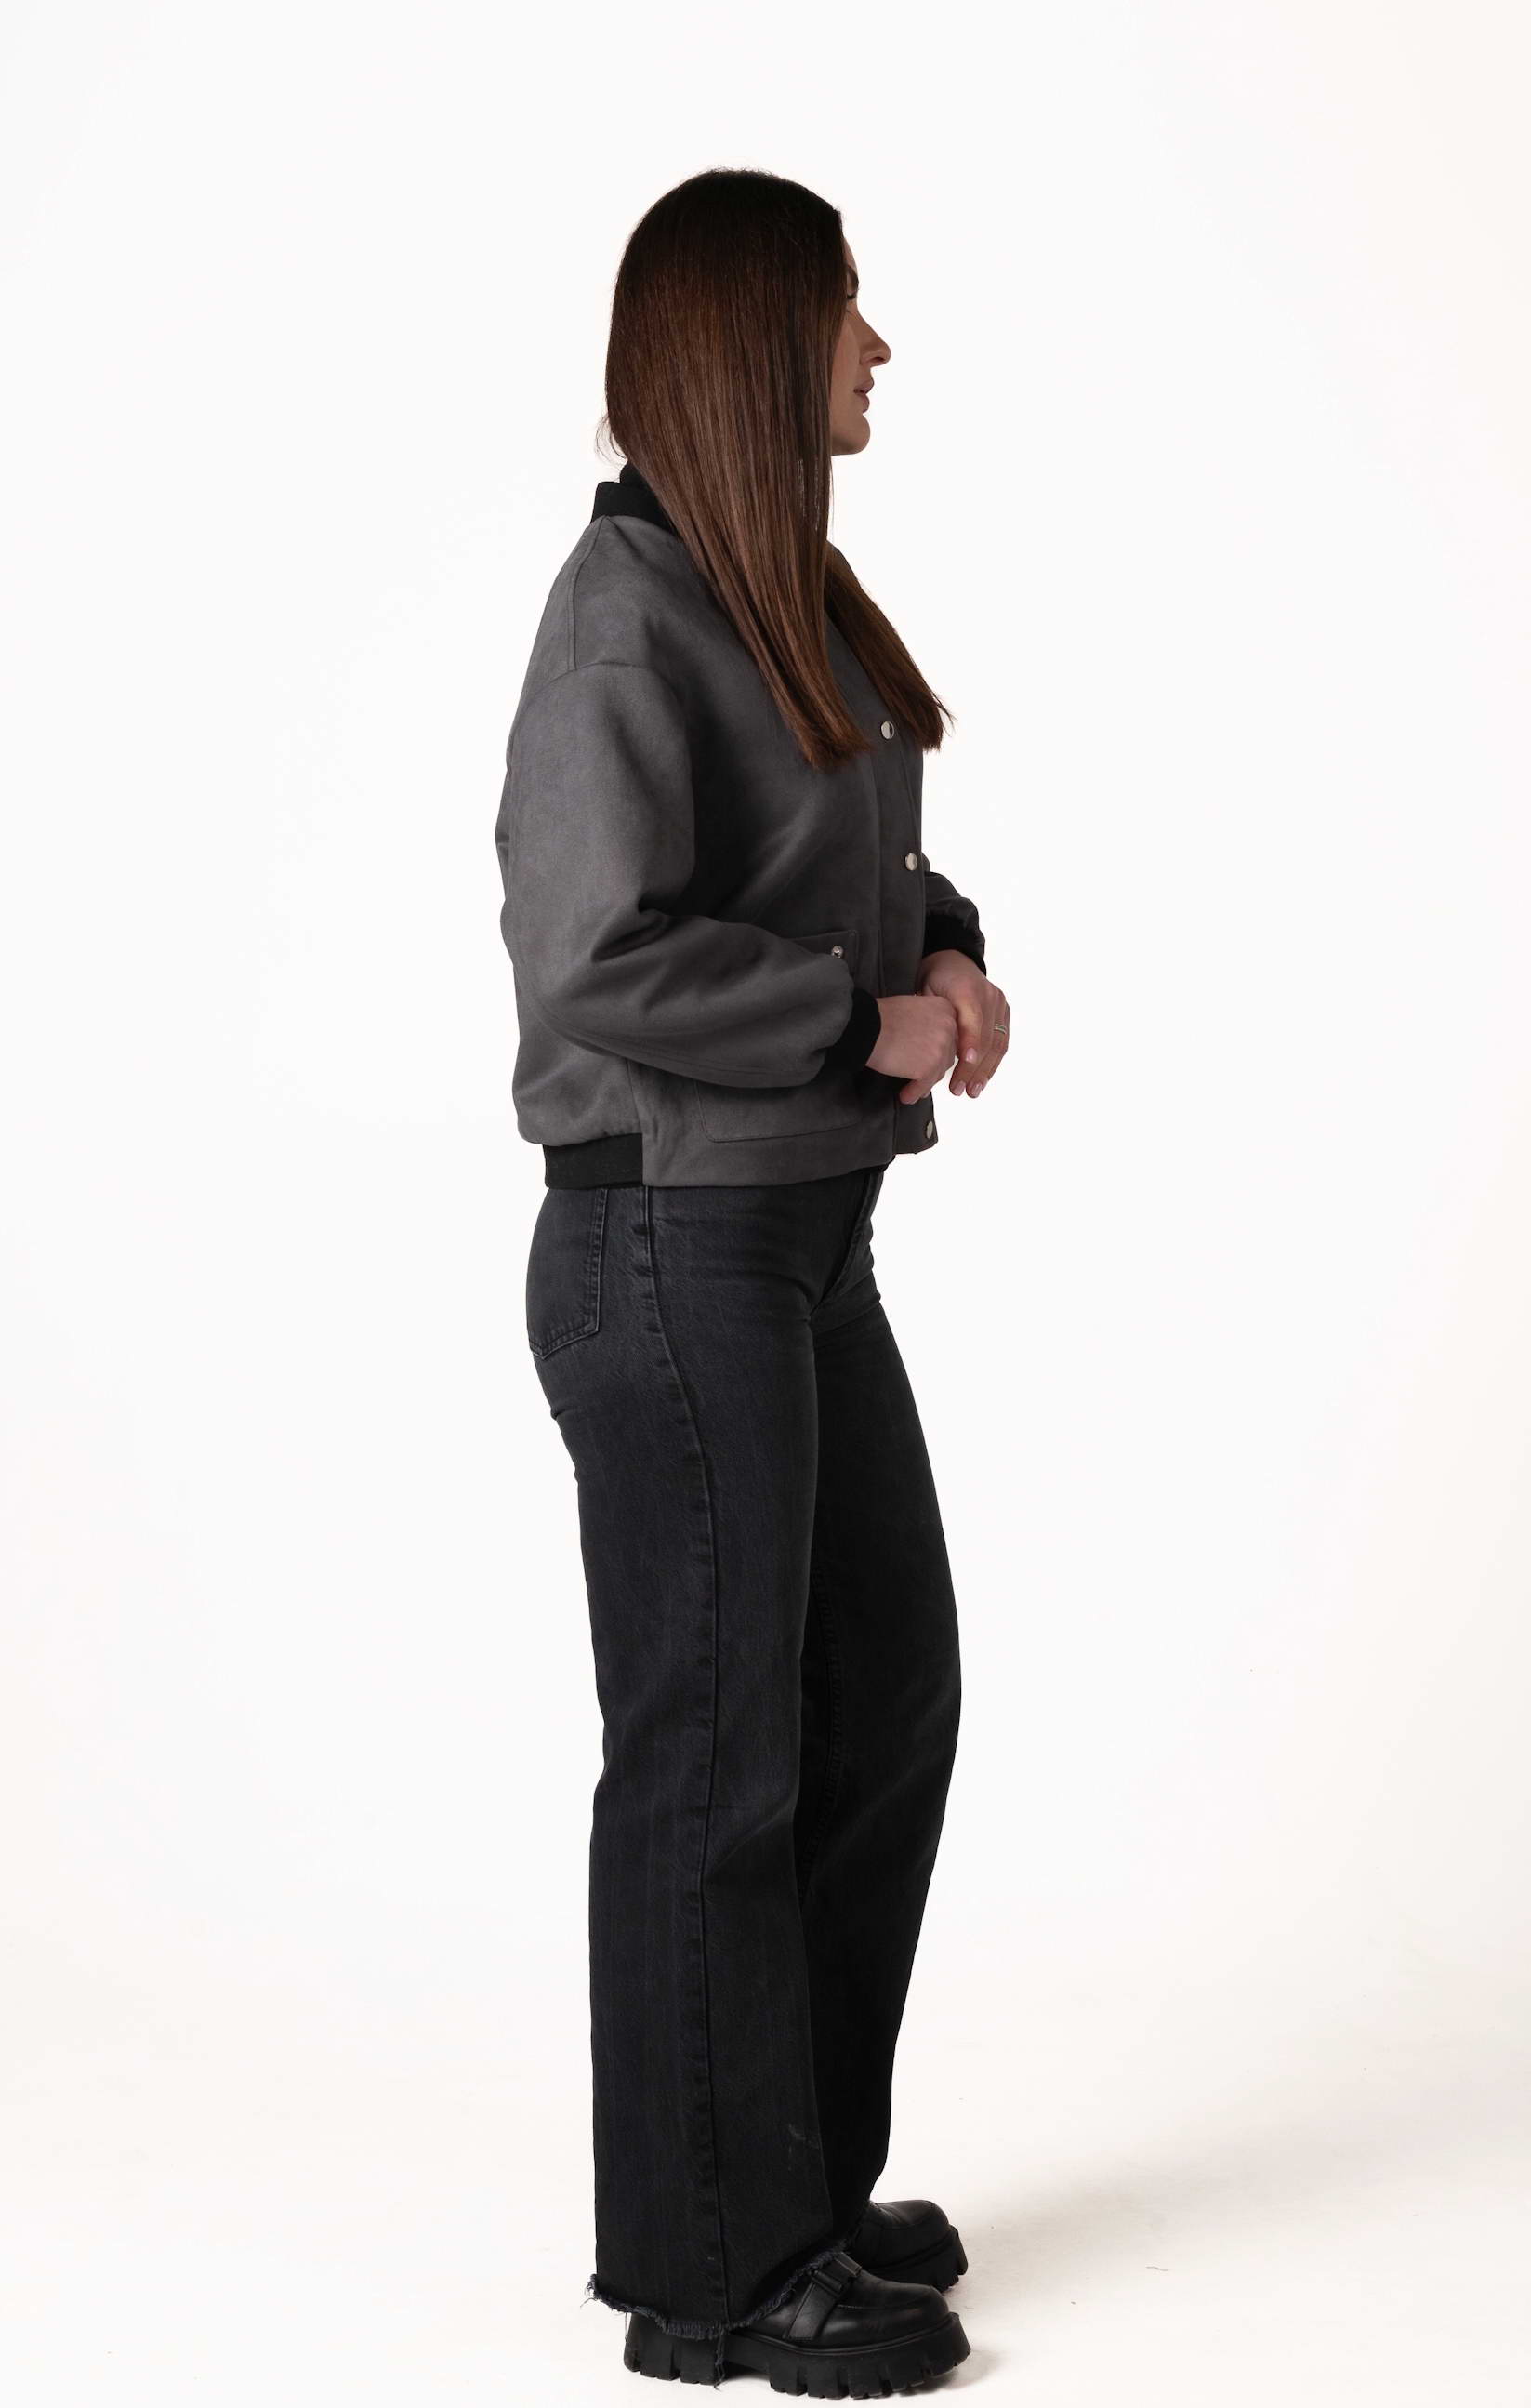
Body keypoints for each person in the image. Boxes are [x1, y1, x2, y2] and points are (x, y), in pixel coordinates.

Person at [494, 167, 1010, 2394]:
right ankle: (715, 2276)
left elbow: (838, 849)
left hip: (795, 1228)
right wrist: (850, 1019)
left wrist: (947, 950)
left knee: (878, 1695)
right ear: (749, 344)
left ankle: (786, 2179)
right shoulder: (623, 611)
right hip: (669, 1233)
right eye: (845, 312)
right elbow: (595, 951)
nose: (876, 348)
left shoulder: (762, 583)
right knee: (719, 1751)